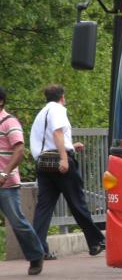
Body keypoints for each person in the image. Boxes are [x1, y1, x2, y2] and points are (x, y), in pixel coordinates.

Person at [30, 85, 105, 259]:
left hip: (43, 164)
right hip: (59, 164)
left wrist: (71, 145)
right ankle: (96, 242)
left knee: (44, 207)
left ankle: (38, 249)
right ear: (62, 97)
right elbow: (57, 133)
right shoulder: (58, 109)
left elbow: (47, 139)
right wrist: (64, 158)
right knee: (77, 203)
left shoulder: (42, 113)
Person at [0, 86, 45, 275]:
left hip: (6, 184)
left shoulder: (9, 122)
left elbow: (19, 150)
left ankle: (36, 255)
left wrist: (5, 174)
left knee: (17, 222)